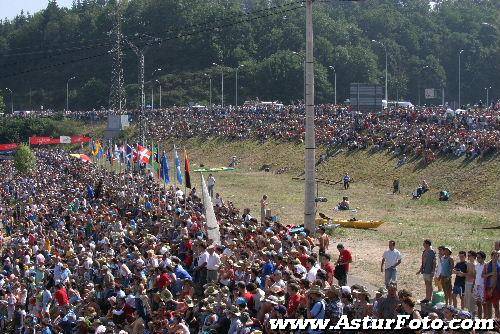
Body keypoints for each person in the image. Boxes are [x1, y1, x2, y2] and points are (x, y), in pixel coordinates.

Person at [417, 239, 436, 304]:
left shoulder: (432, 252)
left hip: (429, 271)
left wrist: (433, 271)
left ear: (427, 244)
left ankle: (429, 298)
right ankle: (427, 298)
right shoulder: (424, 251)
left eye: (424, 243)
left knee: (429, 284)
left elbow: (434, 262)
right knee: (426, 284)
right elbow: (423, 261)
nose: (423, 244)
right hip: (424, 270)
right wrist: (420, 269)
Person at [483, 250, 499, 319]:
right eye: (494, 256)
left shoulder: (498, 265)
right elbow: (483, 275)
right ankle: (489, 320)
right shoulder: (487, 265)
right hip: (488, 287)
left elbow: (496, 278)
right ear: (491, 256)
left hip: (496, 288)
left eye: (497, 256)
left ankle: (497, 320)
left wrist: (492, 289)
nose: (496, 257)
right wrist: (491, 273)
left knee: (496, 305)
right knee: (488, 304)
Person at [474, 251, 486, 318]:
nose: (477, 259)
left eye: (479, 257)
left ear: (483, 258)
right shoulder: (477, 265)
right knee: (478, 303)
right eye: (477, 257)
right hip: (476, 286)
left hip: (483, 287)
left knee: (484, 303)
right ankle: (479, 317)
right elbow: (476, 275)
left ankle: (485, 318)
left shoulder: (486, 265)